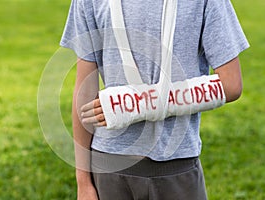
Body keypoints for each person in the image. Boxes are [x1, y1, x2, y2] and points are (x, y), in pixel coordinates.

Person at [60, 0, 249, 199]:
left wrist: (135, 104)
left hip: (159, 164)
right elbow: (84, 92)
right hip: (129, 166)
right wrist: (83, 182)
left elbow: (231, 85)